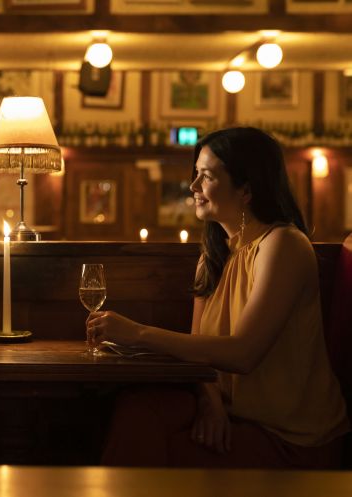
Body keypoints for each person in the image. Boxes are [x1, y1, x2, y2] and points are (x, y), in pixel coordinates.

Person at [88, 127, 349, 468]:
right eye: (195, 175)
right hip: (232, 411)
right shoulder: (214, 253)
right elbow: (201, 347)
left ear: (247, 189)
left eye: (206, 176)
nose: (193, 187)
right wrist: (208, 399)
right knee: (137, 410)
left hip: (290, 435)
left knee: (158, 456)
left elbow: (243, 353)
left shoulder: (283, 245)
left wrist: (137, 333)